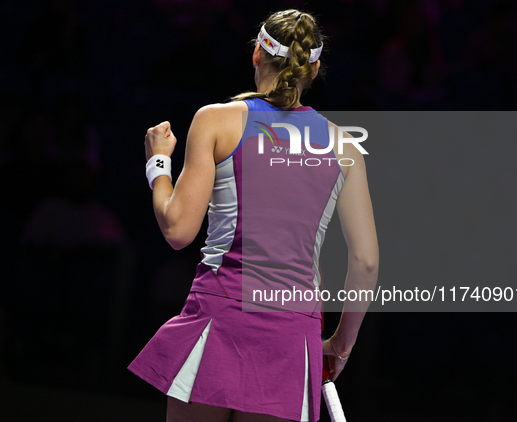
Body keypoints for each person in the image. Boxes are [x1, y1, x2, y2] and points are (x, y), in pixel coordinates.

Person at [129, 9, 378, 422]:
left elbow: (177, 229)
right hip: (290, 337)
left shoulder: (216, 121)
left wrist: (158, 165)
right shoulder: (344, 146)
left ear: (256, 56)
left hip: (218, 320)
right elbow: (366, 262)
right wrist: (340, 345)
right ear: (313, 69)